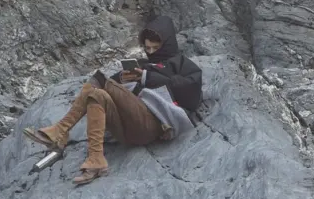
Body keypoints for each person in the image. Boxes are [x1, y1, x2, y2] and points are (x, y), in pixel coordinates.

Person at [23, 15, 203, 185]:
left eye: (155, 48)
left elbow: (190, 92)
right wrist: (123, 80)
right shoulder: (141, 64)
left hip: (151, 124)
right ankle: (96, 159)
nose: (151, 52)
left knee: (100, 81)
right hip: (125, 129)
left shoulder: (182, 64)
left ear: (167, 44)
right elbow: (110, 88)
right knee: (97, 94)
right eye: (147, 48)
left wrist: (147, 78)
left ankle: (60, 131)